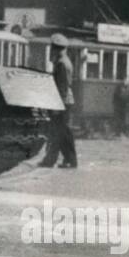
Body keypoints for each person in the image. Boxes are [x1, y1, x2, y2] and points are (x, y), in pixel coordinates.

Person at [40, 33, 78, 168]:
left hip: (62, 102)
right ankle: (68, 160)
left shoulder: (62, 63)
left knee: (59, 132)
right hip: (65, 101)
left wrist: (57, 106)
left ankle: (54, 160)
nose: (51, 50)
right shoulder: (64, 61)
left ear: (56, 48)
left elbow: (62, 86)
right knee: (62, 132)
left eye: (53, 48)